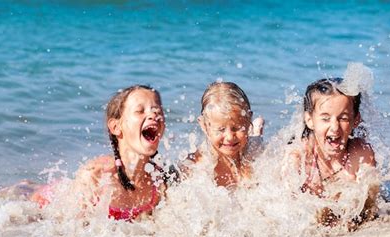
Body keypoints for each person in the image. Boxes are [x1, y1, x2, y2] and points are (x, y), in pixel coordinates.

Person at [30, 84, 167, 221]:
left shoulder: (159, 182)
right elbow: (68, 228)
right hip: (44, 199)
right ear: (116, 127)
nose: (153, 115)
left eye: (157, 111)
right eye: (140, 111)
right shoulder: (97, 177)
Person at [286, 77, 377, 229]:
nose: (335, 127)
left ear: (355, 120)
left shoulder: (361, 155)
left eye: (343, 118)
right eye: (325, 118)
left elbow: (370, 207)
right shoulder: (299, 156)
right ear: (309, 120)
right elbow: (285, 206)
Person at [181, 82, 264, 189]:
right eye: (221, 129)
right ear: (204, 126)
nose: (229, 137)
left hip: (251, 141)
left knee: (257, 140)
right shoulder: (199, 164)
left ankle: (256, 129)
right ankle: (255, 128)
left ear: (248, 121)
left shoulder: (256, 150)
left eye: (237, 128)